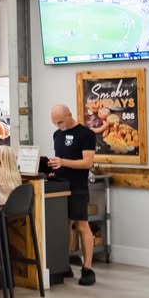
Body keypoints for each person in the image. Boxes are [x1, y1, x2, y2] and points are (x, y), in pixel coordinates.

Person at [49, 104, 97, 286]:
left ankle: (88, 268)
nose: (58, 125)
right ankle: (64, 264)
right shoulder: (57, 134)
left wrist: (62, 162)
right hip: (60, 186)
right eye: (54, 122)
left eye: (60, 121)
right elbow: (59, 160)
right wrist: (53, 168)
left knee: (82, 225)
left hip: (78, 187)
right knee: (64, 226)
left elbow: (87, 163)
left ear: (70, 115)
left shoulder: (86, 134)